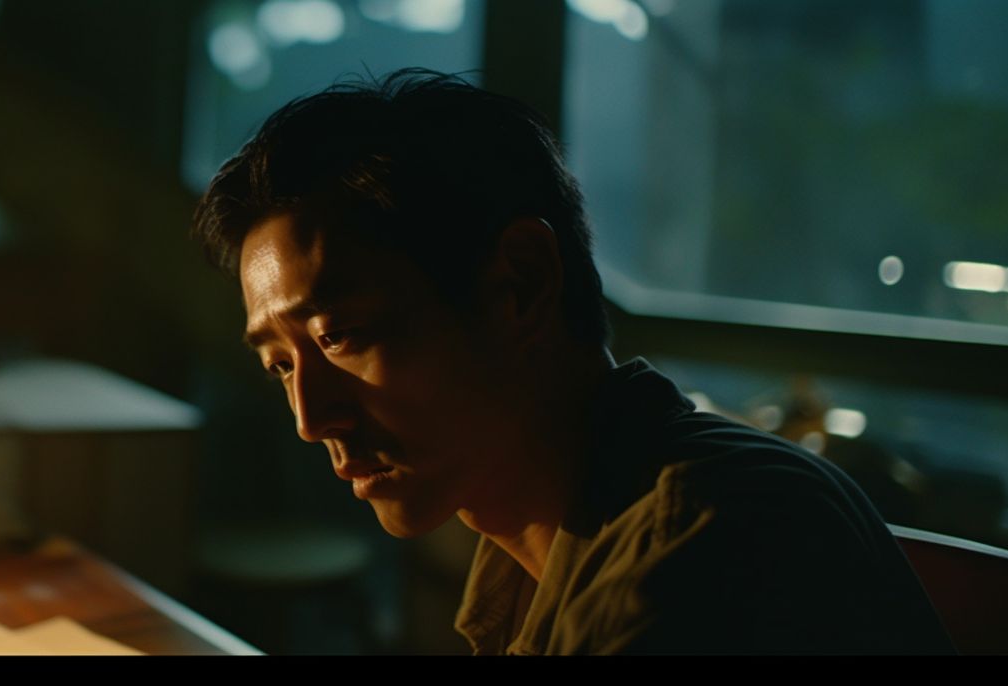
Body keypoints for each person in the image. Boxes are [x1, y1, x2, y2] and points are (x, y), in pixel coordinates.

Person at [190, 68, 954, 655]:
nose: (309, 418)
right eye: (281, 365)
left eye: (338, 334)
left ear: (518, 286)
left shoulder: (690, 548)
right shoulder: (540, 540)